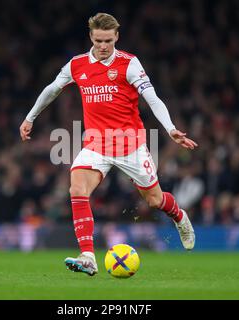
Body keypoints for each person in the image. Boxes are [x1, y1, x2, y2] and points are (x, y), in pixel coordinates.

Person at [20, 13, 198, 276]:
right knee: (76, 189)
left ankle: (179, 217)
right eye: (98, 40)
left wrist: (170, 128)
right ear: (91, 37)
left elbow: (152, 98)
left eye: (108, 41)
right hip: (95, 143)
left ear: (117, 37)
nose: (103, 46)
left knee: (154, 200)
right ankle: (88, 256)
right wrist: (30, 117)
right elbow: (52, 89)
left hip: (130, 144)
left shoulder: (129, 64)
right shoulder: (77, 64)